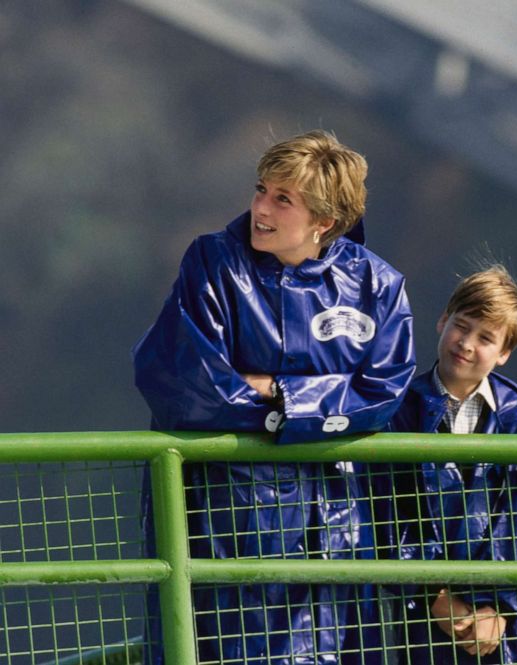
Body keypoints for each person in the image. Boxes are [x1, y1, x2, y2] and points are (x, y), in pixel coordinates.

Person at [132, 130, 416, 665]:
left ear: (324, 222)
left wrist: (283, 392)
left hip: (335, 524)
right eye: (261, 189)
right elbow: (183, 382)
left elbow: (383, 394)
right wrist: (319, 408)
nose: (260, 207)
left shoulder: (379, 286)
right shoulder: (212, 262)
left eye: (282, 199)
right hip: (222, 515)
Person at [375, 265, 517, 665]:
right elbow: (384, 512)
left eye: (486, 338)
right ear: (442, 321)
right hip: (421, 615)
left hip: (509, 629)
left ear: (504, 354)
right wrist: (436, 597)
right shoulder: (393, 412)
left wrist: (500, 608)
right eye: (462, 326)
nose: (466, 344)